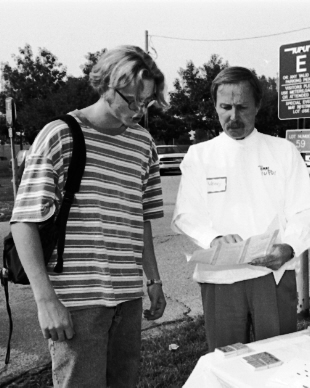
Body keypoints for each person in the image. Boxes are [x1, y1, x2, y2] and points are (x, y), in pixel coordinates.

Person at [10, 45, 167, 387]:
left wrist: (153, 281)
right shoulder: (60, 134)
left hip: (127, 298)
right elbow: (24, 222)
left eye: (148, 101)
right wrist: (45, 300)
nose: (140, 109)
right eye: (132, 99)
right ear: (107, 84)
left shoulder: (144, 144)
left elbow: (141, 219)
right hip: (75, 302)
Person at [171, 66, 310, 352]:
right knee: (227, 360)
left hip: (272, 275)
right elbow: (186, 214)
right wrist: (213, 239)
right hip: (220, 276)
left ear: (258, 106)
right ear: (214, 106)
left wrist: (288, 248)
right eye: (225, 107)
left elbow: (303, 209)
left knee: (280, 357)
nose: (233, 116)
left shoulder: (282, 150)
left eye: (242, 107)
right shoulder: (200, 155)